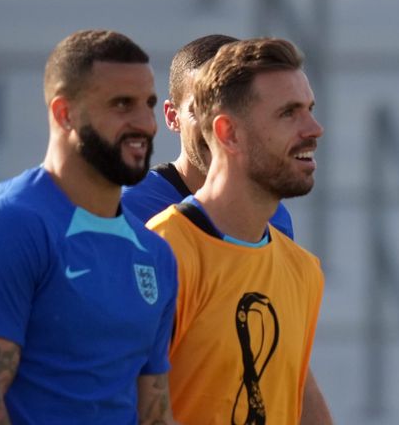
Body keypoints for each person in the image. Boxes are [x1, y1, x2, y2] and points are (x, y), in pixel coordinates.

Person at [124, 34, 331, 424]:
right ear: (227, 132)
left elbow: (297, 388)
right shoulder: (160, 251)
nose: (315, 128)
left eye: (309, 109)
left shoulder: (303, 271)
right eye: (289, 113)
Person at [0, 30, 178, 424]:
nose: (146, 124)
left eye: (148, 104)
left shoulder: (156, 253)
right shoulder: (11, 225)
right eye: (121, 105)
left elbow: (154, 412)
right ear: (65, 114)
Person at [122, 34, 294, 239]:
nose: (219, 126)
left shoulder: (273, 218)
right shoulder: (128, 209)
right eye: (202, 108)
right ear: (172, 116)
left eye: (237, 108)